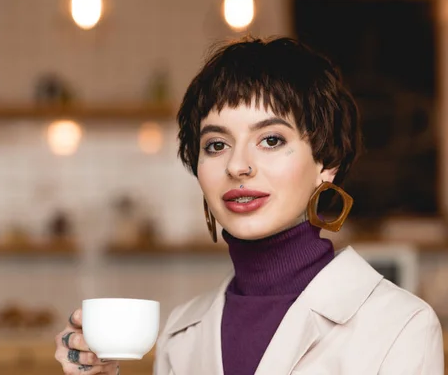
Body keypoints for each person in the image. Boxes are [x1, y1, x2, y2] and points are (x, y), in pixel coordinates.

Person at [55, 36, 444, 374]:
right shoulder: (181, 331)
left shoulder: (400, 326)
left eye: (271, 140)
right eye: (216, 144)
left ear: (326, 163)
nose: (237, 165)